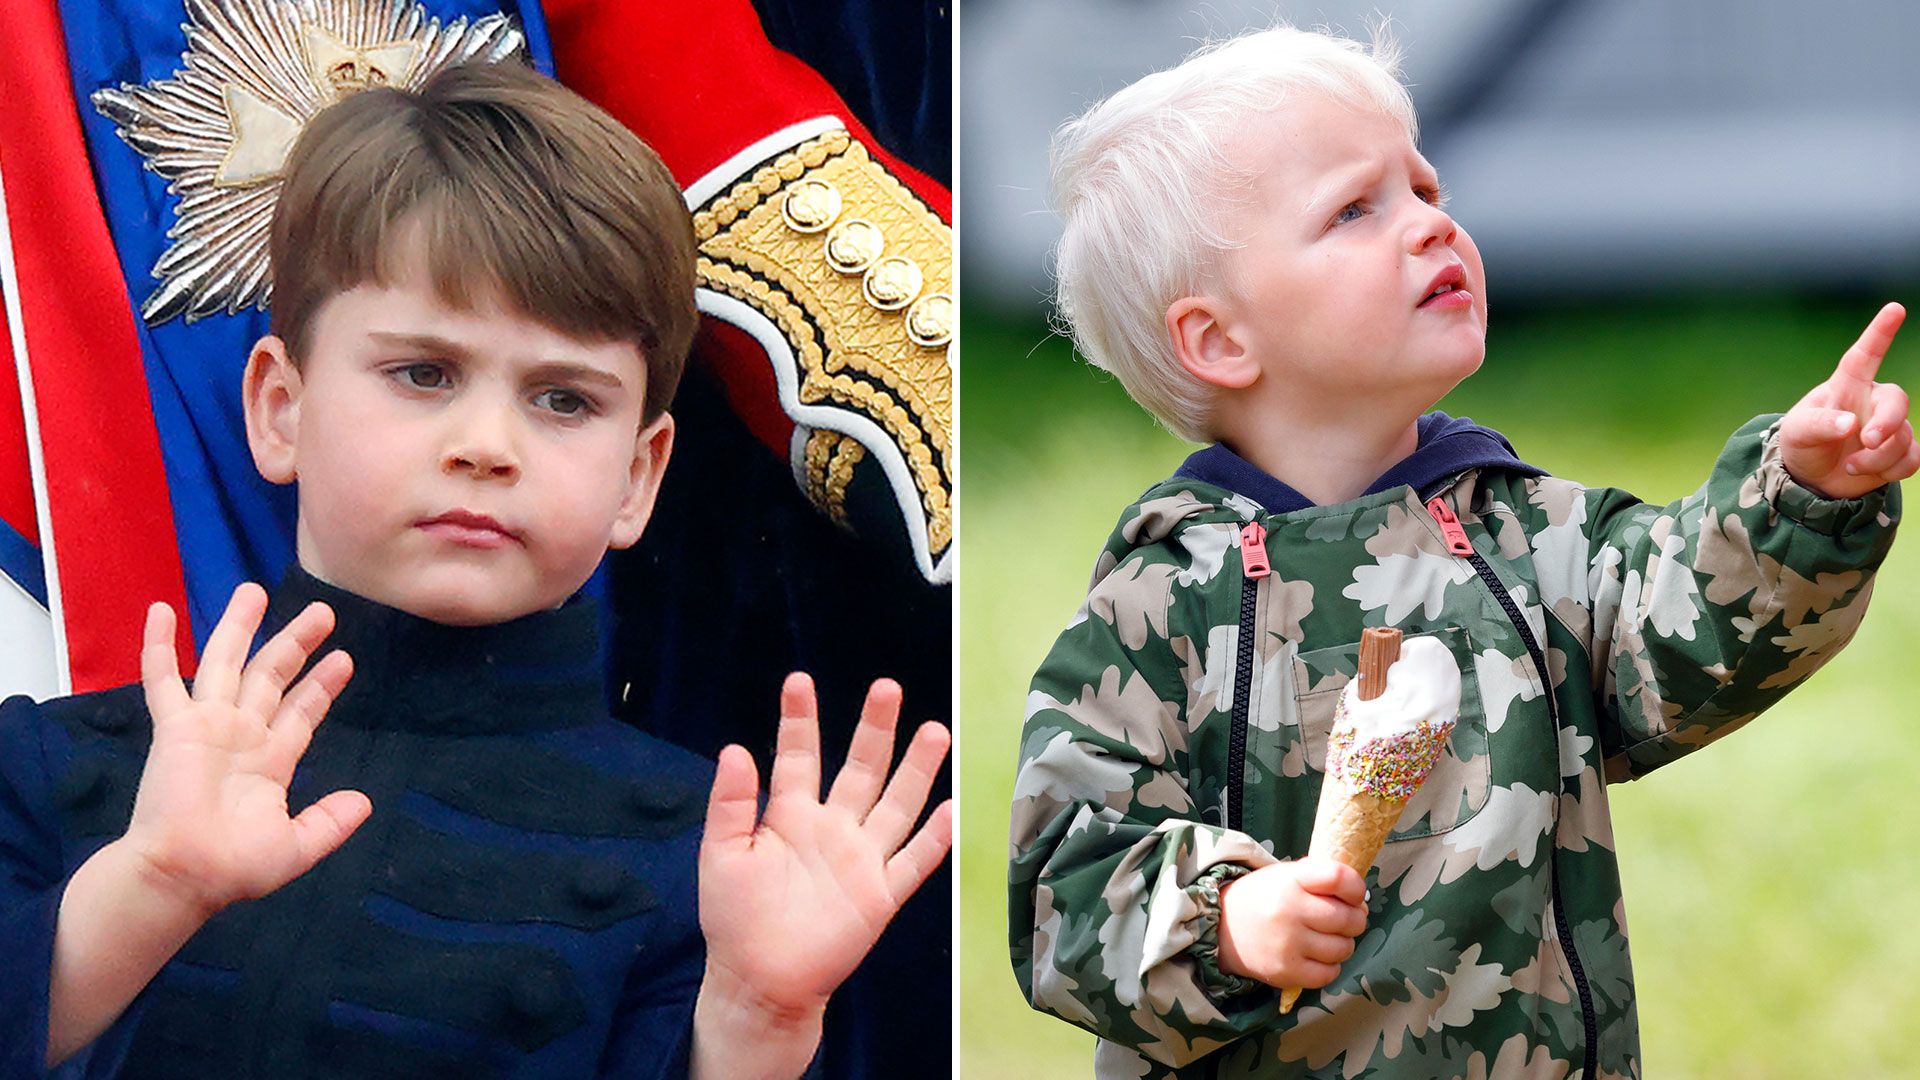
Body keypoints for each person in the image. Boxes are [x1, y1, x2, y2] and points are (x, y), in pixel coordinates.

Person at [0, 62, 951, 1079]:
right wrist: (146, 886)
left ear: (639, 475)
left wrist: (757, 1023)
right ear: (281, 405)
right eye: (424, 373)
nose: (488, 443)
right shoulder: (47, 768)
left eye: (564, 400)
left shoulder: (710, 872)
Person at [1007, 25, 1909, 1080]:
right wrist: (1225, 922)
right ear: (1220, 340)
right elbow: (1063, 889)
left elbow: (1692, 629)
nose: (1430, 227)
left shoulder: (1526, 538)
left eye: (1425, 189)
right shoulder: (1157, 611)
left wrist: (1800, 498)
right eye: (1356, 208)